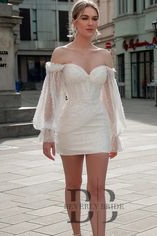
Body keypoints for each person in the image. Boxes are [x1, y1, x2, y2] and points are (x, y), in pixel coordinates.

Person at [33, 0, 126, 235]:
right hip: (70, 125)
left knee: (97, 186)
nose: (91, 23)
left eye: (94, 18)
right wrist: (48, 132)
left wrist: (114, 134)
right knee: (73, 185)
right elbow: (53, 96)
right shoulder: (61, 53)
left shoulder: (105, 55)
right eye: (84, 17)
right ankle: (76, 233)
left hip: (98, 124)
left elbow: (110, 99)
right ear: (74, 21)